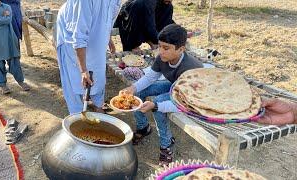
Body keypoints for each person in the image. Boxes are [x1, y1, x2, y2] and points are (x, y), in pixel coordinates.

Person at [119, 24, 203, 166]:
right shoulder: (161, 58)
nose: (160, 52)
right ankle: (143, 127)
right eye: (159, 46)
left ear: (181, 49)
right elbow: (150, 77)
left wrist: (156, 105)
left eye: (166, 48)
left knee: (158, 105)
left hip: (191, 96)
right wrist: (132, 88)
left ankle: (166, 145)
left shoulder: (191, 70)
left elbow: (185, 105)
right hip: (174, 86)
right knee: (138, 92)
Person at [56, 0, 120, 114]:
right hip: (70, 32)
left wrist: (107, 37)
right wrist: (83, 70)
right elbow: (78, 35)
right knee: (73, 75)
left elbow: (110, 16)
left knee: (98, 69)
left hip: (96, 29)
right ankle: (76, 113)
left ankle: (98, 105)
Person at [0, 0, 30, 94]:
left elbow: (7, 20)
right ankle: (3, 85)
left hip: (9, 38)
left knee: (14, 61)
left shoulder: (6, 7)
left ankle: (21, 82)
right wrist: (1, 18)